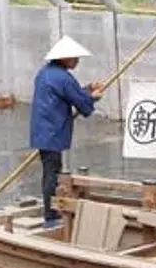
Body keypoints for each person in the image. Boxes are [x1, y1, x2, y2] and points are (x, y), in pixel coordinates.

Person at [29, 36, 103, 228]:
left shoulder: (44, 73)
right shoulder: (63, 77)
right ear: (64, 58)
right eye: (75, 57)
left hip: (43, 130)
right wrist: (93, 98)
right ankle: (51, 216)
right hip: (52, 131)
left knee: (50, 171)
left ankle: (51, 212)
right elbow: (80, 103)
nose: (77, 61)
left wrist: (87, 90)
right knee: (52, 174)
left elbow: (72, 93)